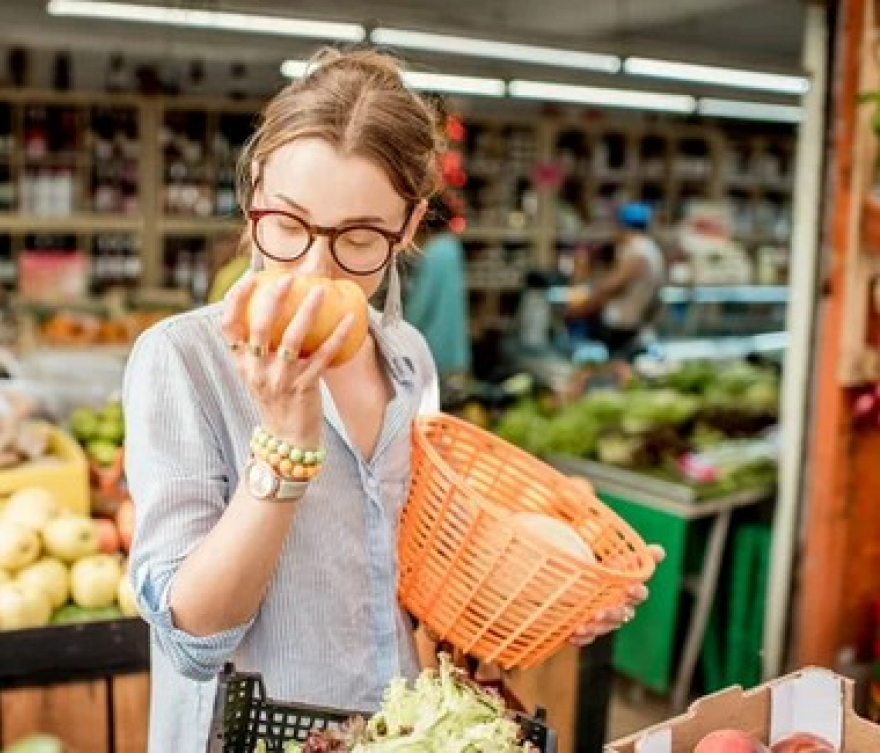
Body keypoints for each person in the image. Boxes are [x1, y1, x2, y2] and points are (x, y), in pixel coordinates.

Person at [123, 48, 662, 752]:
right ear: (255, 190)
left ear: (408, 227)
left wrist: (551, 595)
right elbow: (191, 638)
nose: (314, 267)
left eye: (359, 240)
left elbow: (413, 581)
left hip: (398, 733)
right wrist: (285, 449)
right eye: (287, 223)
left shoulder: (407, 359)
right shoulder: (183, 361)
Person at [566, 202, 666, 359]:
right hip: (633, 324)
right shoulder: (650, 249)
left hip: (622, 326)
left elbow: (612, 287)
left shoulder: (638, 252)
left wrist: (579, 310)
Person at [403, 194, 472, 405]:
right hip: (455, 348)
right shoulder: (452, 248)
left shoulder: (436, 253)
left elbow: (421, 304)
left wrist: (398, 331)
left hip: (433, 347)